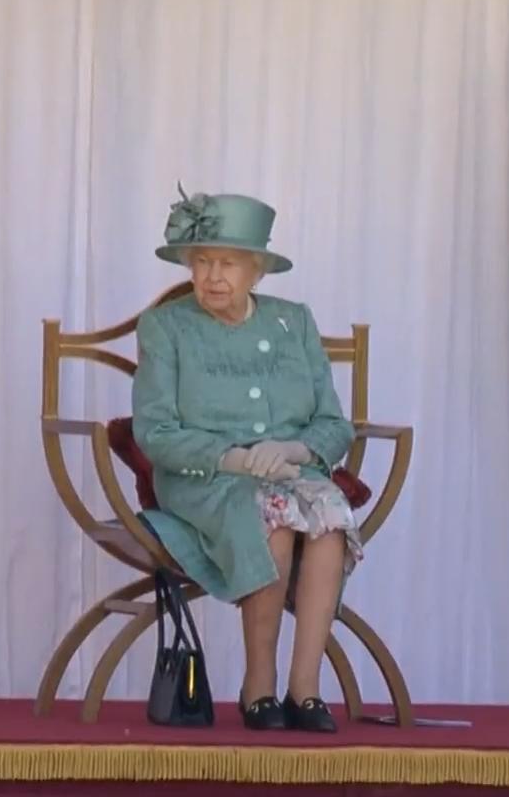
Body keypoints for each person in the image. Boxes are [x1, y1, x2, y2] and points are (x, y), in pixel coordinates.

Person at [130, 189, 360, 734]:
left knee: (327, 517)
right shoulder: (166, 327)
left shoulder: (292, 324)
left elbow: (335, 425)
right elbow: (154, 433)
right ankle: (259, 687)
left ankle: (305, 691)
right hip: (203, 482)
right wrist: (231, 458)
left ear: (257, 271)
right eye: (202, 261)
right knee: (274, 520)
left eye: (228, 263)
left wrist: (294, 450)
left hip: (289, 471)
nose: (212, 276)